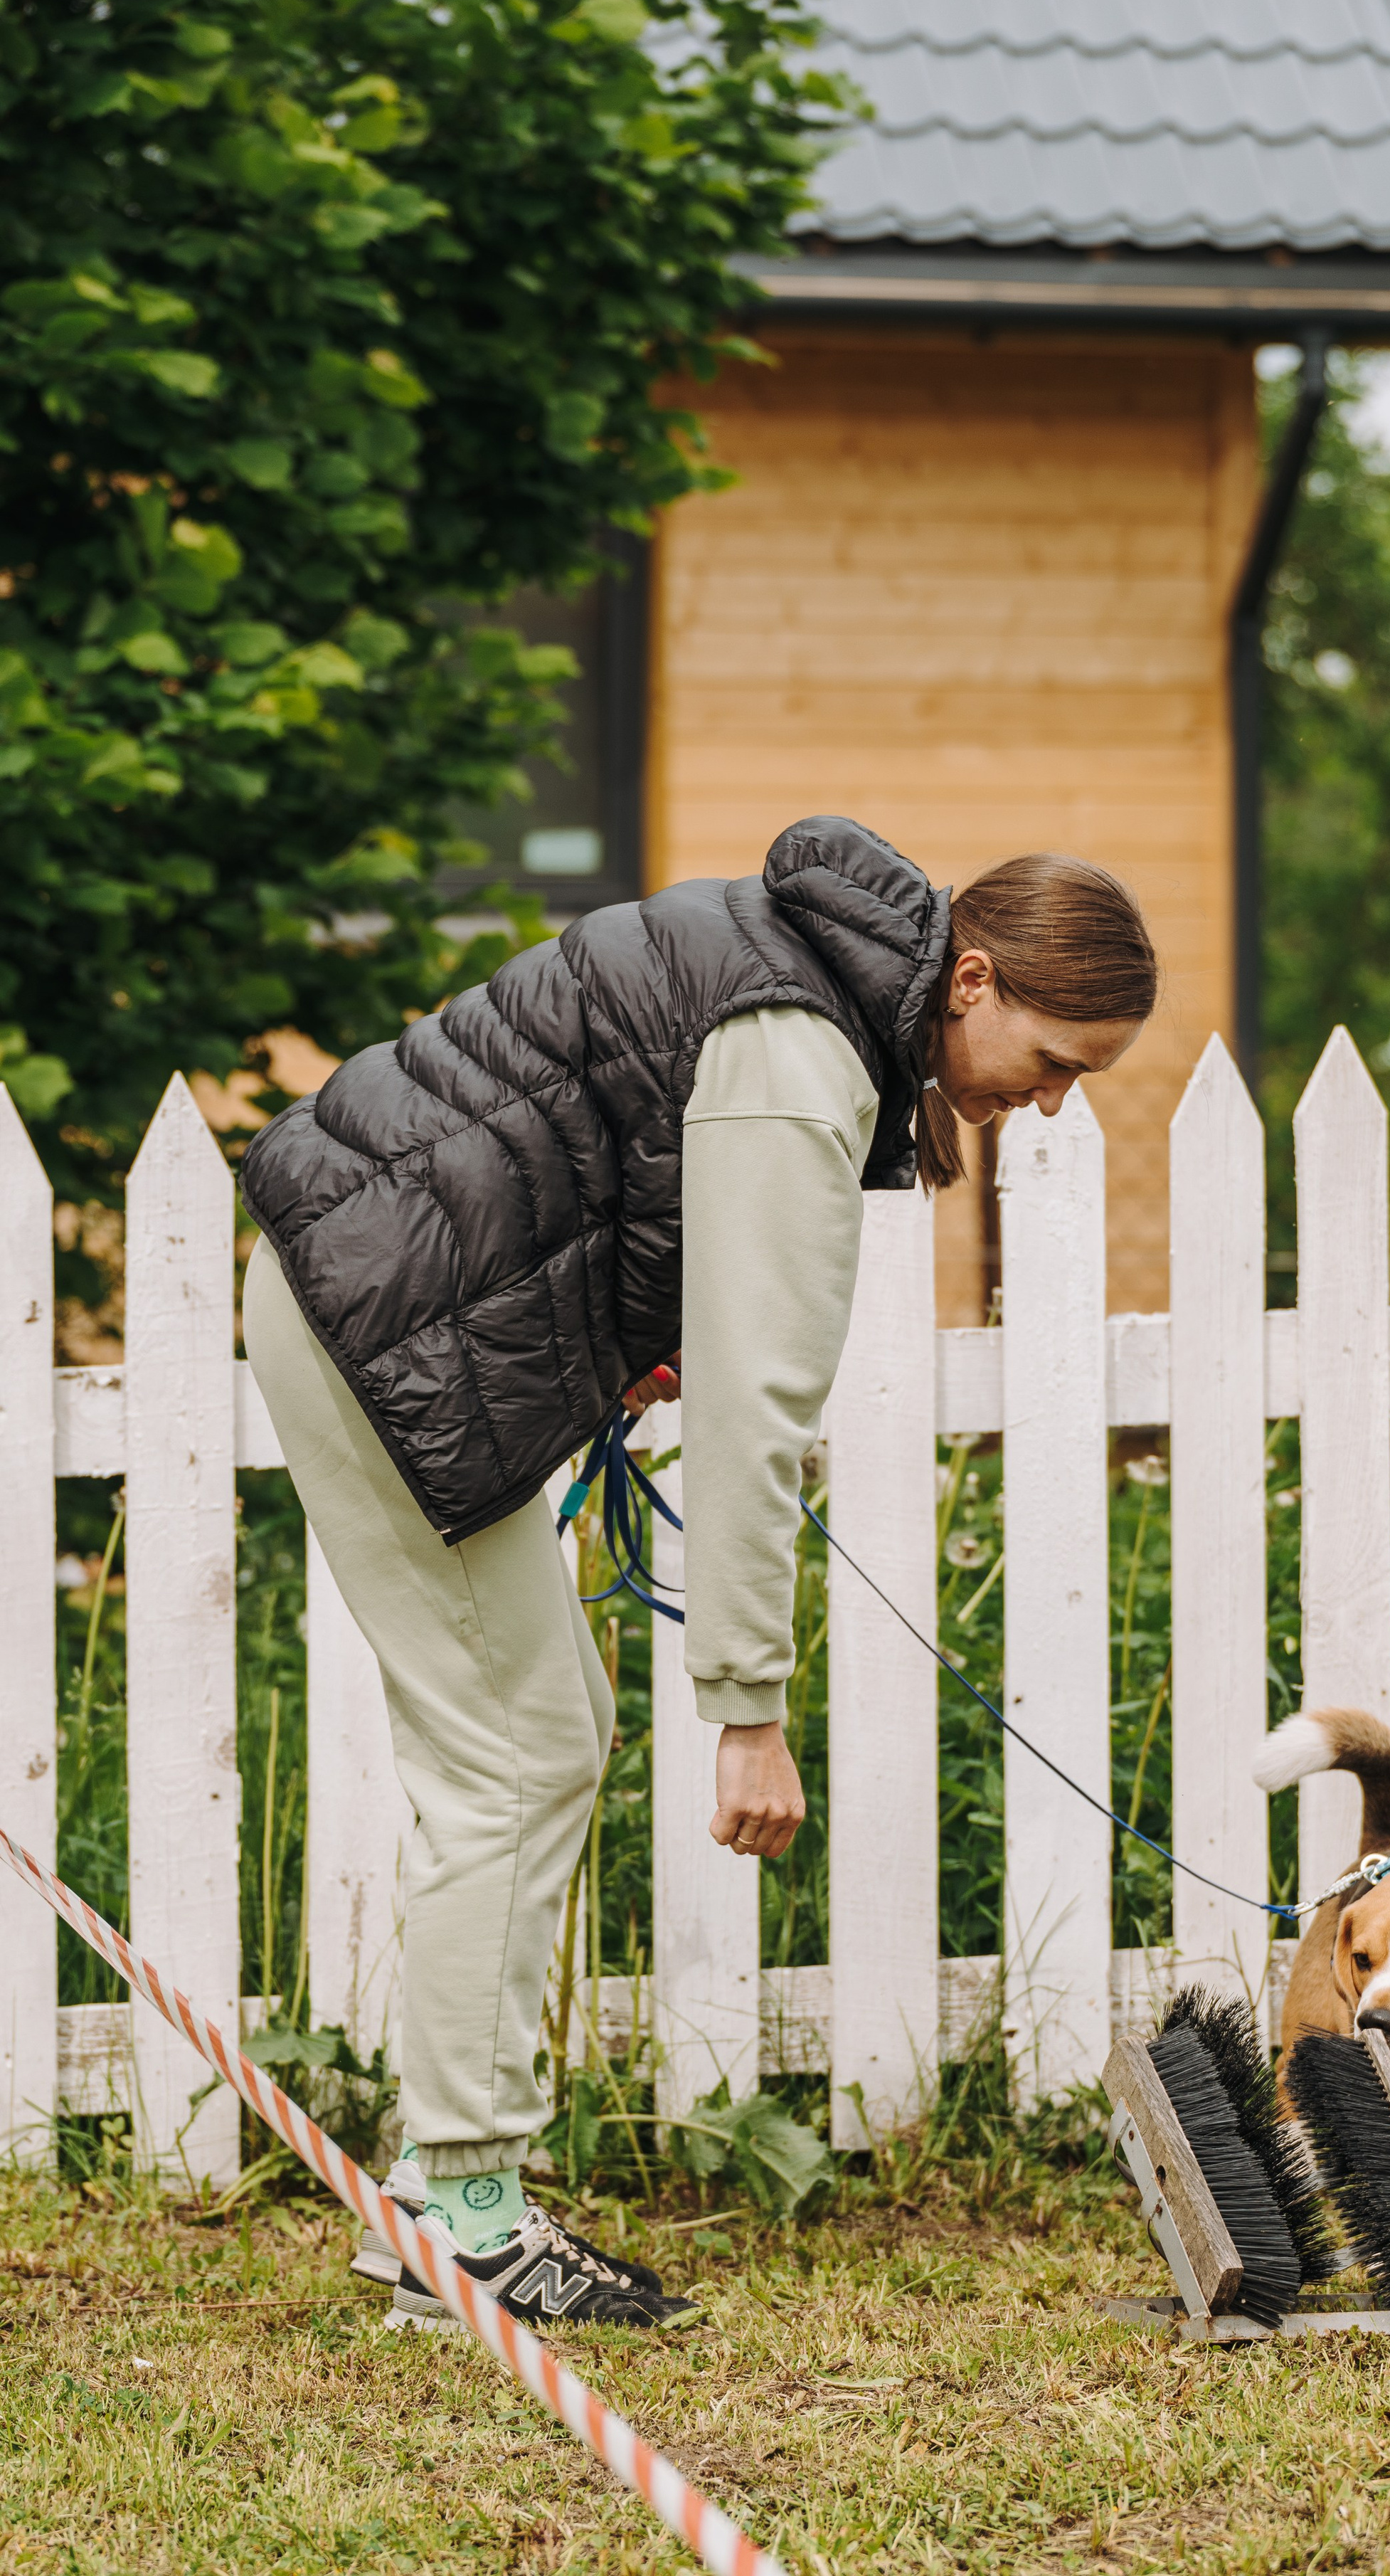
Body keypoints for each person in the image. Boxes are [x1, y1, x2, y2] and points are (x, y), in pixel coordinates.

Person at [240, 815, 1156, 2328]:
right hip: (378, 1316)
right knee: (516, 1749)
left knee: (536, 1733)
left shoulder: (802, 980)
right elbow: (754, 1409)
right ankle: (457, 2214)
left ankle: (449, 2194)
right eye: (1056, 1059)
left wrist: (627, 1325)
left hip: (372, 1281)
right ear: (973, 979)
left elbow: (605, 1157)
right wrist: (746, 1708)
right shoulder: (802, 1056)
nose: (1051, 1105)